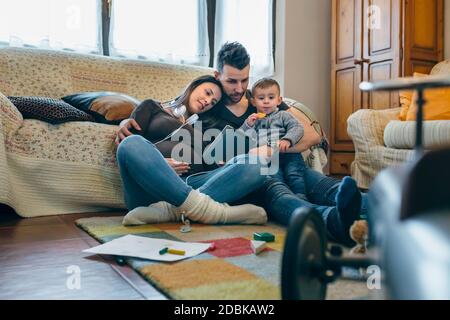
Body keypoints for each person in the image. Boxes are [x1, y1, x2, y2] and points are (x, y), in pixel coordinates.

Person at [116, 42, 366, 246]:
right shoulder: (203, 112)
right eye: (231, 82)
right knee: (269, 179)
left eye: (244, 80)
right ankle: (209, 211)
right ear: (217, 76)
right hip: (234, 176)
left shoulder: (261, 100)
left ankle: (385, 209)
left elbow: (312, 135)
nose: (239, 88)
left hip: (275, 161)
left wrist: (269, 148)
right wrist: (129, 124)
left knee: (318, 182)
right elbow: (152, 124)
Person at [116, 75, 268, 226]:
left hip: (193, 184)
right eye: (207, 93)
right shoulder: (152, 107)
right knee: (130, 143)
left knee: (257, 165)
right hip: (150, 188)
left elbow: (211, 168)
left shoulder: (205, 125)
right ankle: (214, 212)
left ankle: (172, 211)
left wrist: (223, 164)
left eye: (213, 102)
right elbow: (129, 147)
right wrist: (159, 164)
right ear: (193, 86)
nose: (208, 101)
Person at [240, 77, 307, 198]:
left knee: (294, 175)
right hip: (268, 160)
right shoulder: (253, 120)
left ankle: (301, 196)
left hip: (289, 155)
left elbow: (297, 127)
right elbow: (241, 138)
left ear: (279, 100)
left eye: (271, 97)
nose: (266, 101)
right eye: (261, 98)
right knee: (275, 178)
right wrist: (247, 125)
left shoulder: (283, 115)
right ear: (253, 101)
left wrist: (287, 139)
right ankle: (285, 198)